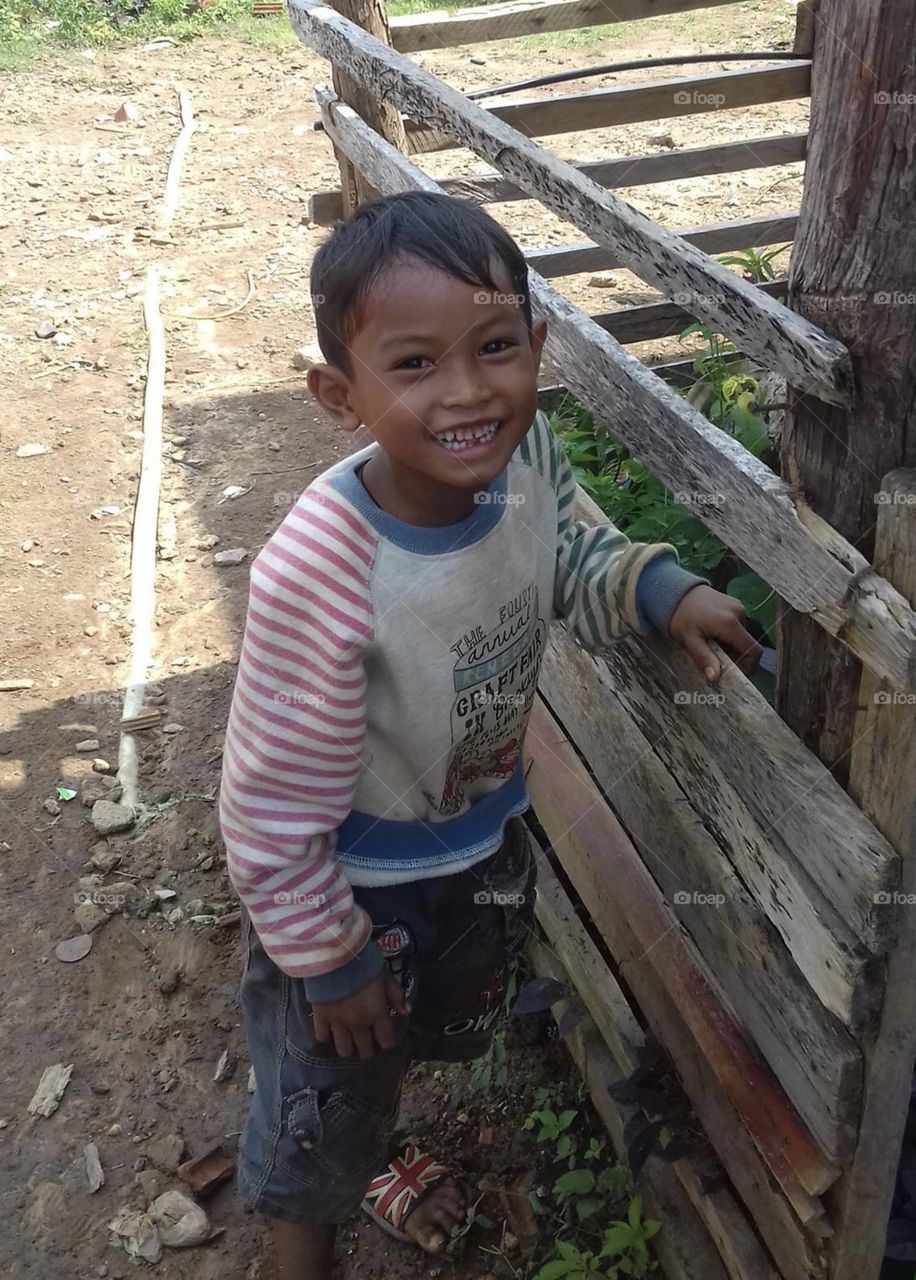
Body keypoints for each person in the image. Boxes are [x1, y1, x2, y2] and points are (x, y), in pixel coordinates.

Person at [218, 190, 761, 1279]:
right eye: (413, 364)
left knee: (409, 1033)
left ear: (537, 344)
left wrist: (656, 589)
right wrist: (328, 958)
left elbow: (567, 549)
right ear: (340, 394)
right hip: (354, 885)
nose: (468, 390)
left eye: (495, 346)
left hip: (474, 838)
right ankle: (300, 1245)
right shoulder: (322, 571)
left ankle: (374, 1127)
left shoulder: (525, 463)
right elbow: (272, 808)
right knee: (322, 1086)